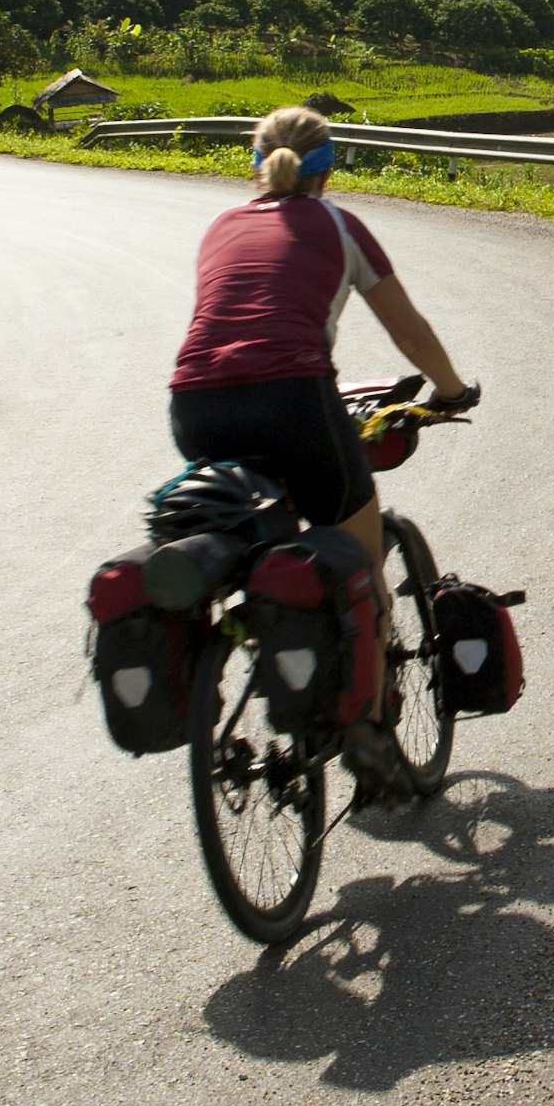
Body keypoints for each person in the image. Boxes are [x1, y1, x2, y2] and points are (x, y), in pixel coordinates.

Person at [167, 103, 473, 794]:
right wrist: (452, 390)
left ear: (255, 163)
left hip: (195, 406)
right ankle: (365, 731)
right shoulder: (339, 225)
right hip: (293, 401)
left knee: (254, 542)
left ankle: (256, 645)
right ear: (329, 169)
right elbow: (410, 334)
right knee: (359, 561)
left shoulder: (221, 226)